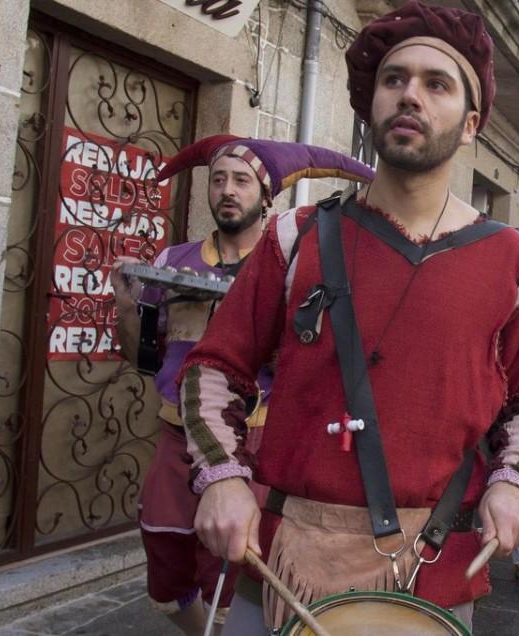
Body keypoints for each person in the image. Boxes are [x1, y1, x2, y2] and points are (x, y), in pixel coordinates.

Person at [178, 2, 519, 632]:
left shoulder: (513, 262)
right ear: (372, 104)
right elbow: (214, 369)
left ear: (470, 124)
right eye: (395, 79)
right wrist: (222, 478)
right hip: (283, 563)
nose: (409, 95)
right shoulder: (294, 238)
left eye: (435, 84)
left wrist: (515, 483)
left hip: (432, 570)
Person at [111, 135, 372, 635]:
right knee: (165, 567)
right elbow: (143, 359)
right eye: (219, 180)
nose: (228, 191)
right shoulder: (172, 262)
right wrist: (126, 306)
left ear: (266, 194)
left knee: (234, 572)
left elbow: (321, 364)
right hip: (175, 438)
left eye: (242, 181)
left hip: (254, 443)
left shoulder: (294, 269)